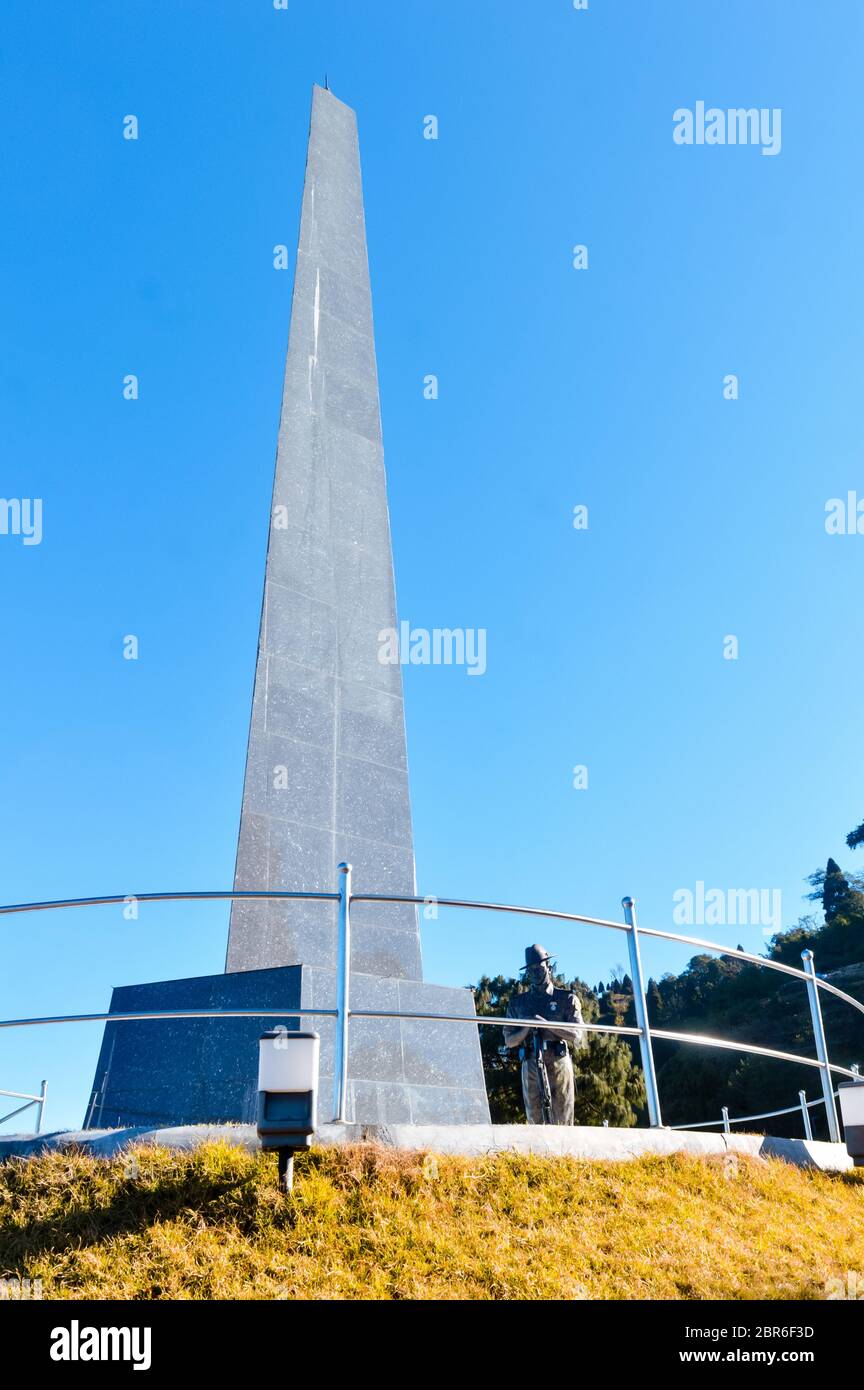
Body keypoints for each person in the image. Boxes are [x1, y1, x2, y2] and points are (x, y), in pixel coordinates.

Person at [503, 944, 587, 1124]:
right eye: (531, 970)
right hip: (531, 1062)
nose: (535, 973)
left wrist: (546, 1025)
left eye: (539, 968)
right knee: (535, 1119)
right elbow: (509, 1041)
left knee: (563, 1118)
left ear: (548, 966)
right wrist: (526, 1028)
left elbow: (577, 1034)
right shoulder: (518, 1004)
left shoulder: (566, 999)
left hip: (558, 1060)